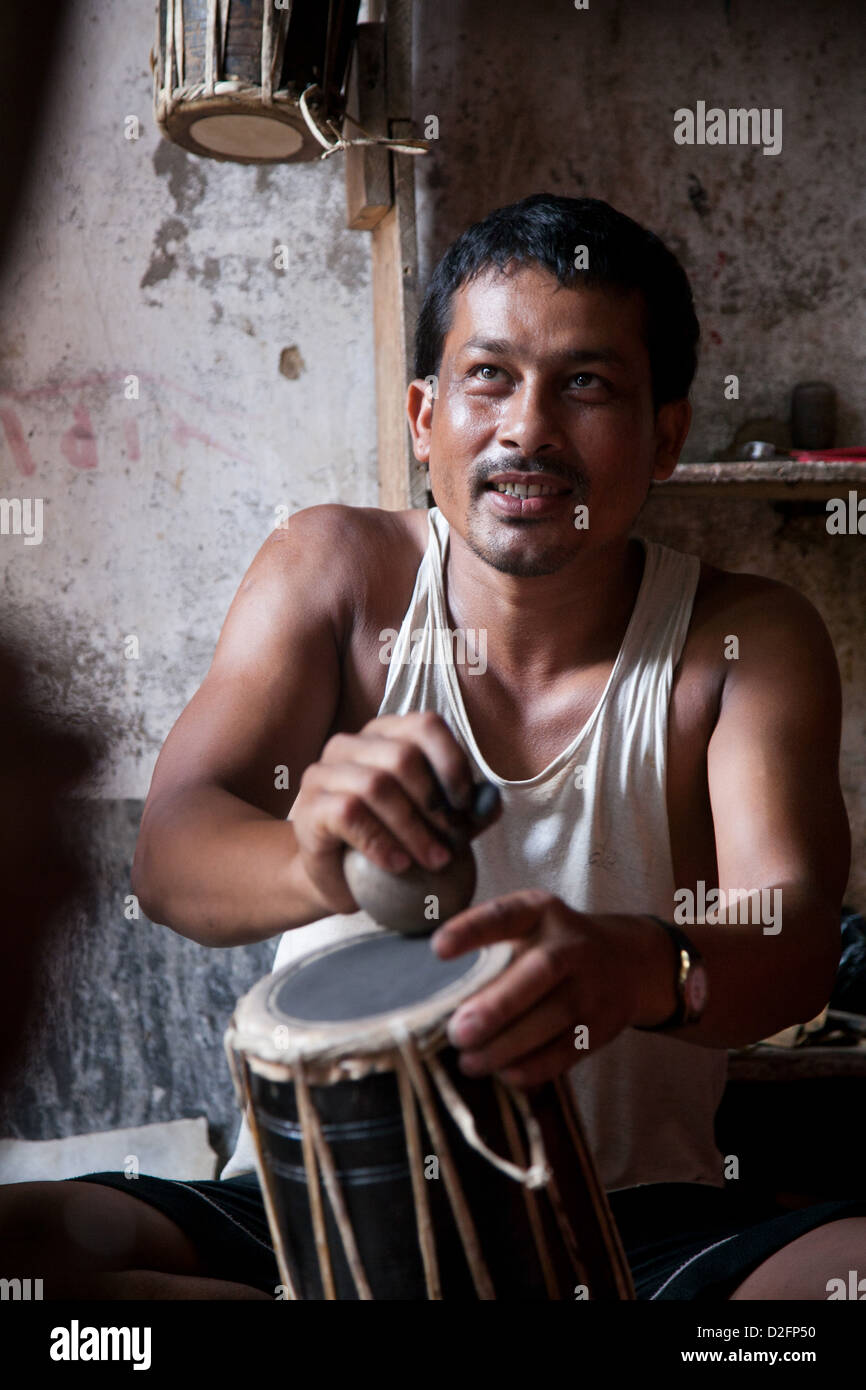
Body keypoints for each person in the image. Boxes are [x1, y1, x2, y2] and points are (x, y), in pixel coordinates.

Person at [2, 193, 863, 1300]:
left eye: (586, 384)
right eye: (488, 377)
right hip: (311, 1210)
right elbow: (168, 857)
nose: (528, 429)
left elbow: (789, 935)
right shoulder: (335, 572)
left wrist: (642, 962)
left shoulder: (741, 637)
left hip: (631, 1225)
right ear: (422, 418)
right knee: (27, 1266)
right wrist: (310, 858)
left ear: (664, 436)